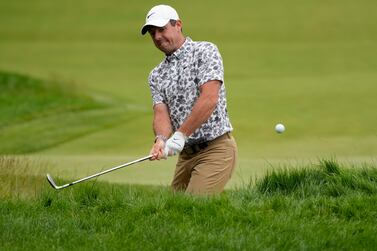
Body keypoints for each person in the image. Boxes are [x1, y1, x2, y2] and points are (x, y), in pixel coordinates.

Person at [141, 4, 237, 195]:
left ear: (178, 25)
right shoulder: (156, 75)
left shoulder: (205, 52)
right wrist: (161, 140)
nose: (157, 37)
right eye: (153, 33)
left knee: (194, 208)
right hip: (185, 156)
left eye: (162, 29)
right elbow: (161, 113)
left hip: (215, 149)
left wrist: (181, 134)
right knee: (174, 213)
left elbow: (209, 99)